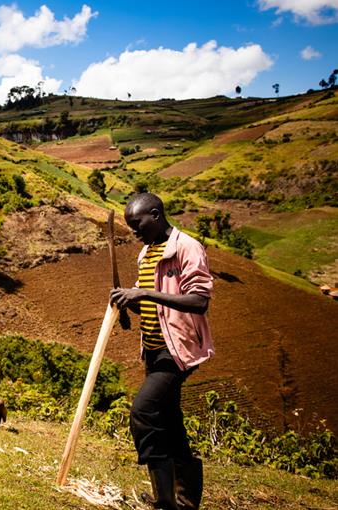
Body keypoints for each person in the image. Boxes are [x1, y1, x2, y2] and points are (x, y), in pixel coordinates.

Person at [109, 193, 214, 510]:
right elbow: (152, 306)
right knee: (169, 421)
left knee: (144, 410)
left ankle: (165, 502)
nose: (133, 231)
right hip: (153, 350)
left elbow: (199, 301)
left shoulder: (186, 248)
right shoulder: (146, 253)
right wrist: (129, 304)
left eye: (137, 223)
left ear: (155, 215)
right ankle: (185, 501)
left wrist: (143, 292)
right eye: (128, 225)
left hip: (177, 351)